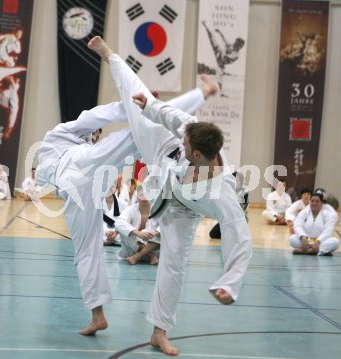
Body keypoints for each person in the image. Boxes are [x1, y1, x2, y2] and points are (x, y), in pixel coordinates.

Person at [88, 35, 252, 355]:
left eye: (189, 144)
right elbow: (170, 116)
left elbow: (240, 235)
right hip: (163, 156)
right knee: (138, 96)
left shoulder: (222, 192)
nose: (185, 140)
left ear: (201, 155)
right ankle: (110, 54)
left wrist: (229, 282)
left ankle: (159, 333)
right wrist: (148, 105)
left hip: (184, 211)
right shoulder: (191, 130)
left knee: (174, 265)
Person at [36, 68, 211, 336]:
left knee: (139, 131)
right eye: (94, 133)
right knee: (85, 250)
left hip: (84, 176)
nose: (96, 134)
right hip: (75, 184)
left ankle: (194, 99)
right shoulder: (60, 134)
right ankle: (97, 316)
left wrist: (143, 104)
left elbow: (107, 121)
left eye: (96, 134)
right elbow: (97, 115)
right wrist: (133, 105)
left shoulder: (91, 147)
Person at [115, 186, 160, 265]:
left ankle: (138, 256)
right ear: (137, 196)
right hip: (133, 251)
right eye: (141, 195)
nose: (143, 198)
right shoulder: (131, 209)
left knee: (163, 232)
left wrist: (155, 232)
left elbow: (167, 226)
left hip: (153, 248)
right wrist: (138, 233)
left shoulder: (158, 210)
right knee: (124, 231)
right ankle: (151, 256)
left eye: (147, 195)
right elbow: (119, 222)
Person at [201, 21, 245, 93]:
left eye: (236, 43)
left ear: (239, 46)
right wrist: (219, 32)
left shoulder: (236, 55)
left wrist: (225, 51)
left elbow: (227, 58)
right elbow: (224, 39)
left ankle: (219, 91)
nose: (234, 44)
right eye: (235, 43)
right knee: (212, 37)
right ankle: (205, 25)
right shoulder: (231, 46)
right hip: (219, 53)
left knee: (219, 77)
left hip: (221, 62)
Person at [209, 171, 249, 239]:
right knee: (213, 234)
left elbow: (238, 209)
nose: (236, 182)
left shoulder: (244, 192)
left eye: (238, 180)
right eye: (234, 180)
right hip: (226, 218)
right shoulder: (226, 190)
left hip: (239, 219)